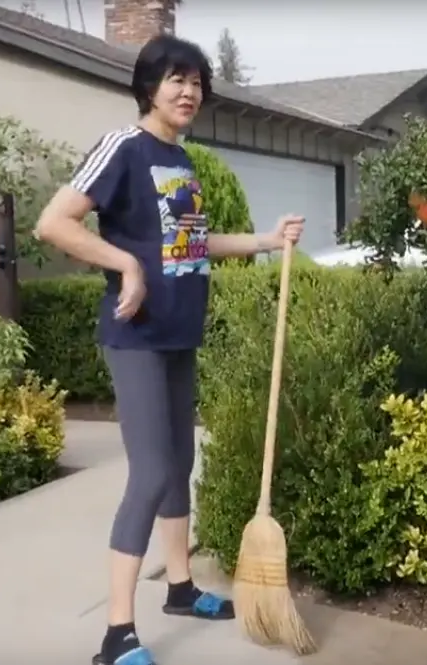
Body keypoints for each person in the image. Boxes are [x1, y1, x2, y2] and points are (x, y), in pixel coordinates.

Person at [33, 34, 304, 665]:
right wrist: (125, 263)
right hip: (137, 337)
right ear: (148, 85)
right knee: (151, 473)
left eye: (197, 82)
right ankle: (117, 634)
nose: (189, 91)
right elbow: (54, 223)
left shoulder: (179, 159)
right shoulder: (123, 148)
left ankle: (180, 588)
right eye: (175, 79)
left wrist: (265, 239)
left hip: (179, 332)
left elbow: (191, 244)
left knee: (179, 465)